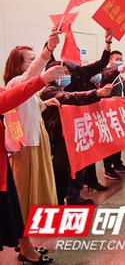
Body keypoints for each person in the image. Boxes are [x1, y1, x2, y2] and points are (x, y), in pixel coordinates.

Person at [0, 67, 65, 264]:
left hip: (25, 148)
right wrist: (44, 67)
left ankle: (25, 246)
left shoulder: (20, 87)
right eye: (30, 59)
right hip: (23, 148)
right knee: (21, 197)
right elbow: (9, 105)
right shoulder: (16, 83)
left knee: (16, 204)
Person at [3, 31, 62, 225]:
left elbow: (31, 109)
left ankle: (34, 225)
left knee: (38, 185)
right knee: (24, 188)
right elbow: (31, 76)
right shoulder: (16, 83)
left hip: (38, 138)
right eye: (31, 59)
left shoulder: (28, 86)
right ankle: (22, 230)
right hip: (25, 143)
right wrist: (48, 51)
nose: (35, 61)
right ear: (19, 65)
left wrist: (47, 103)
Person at [41, 62, 113, 205]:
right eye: (62, 73)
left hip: (71, 136)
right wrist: (97, 93)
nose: (66, 76)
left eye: (67, 73)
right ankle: (61, 201)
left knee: (77, 167)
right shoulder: (49, 91)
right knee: (61, 172)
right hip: (58, 139)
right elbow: (70, 97)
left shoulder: (64, 88)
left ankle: (74, 196)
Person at [63, 29, 113, 194]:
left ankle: (91, 180)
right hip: (67, 121)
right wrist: (50, 45)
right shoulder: (59, 72)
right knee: (72, 158)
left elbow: (101, 62)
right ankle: (72, 193)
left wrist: (107, 43)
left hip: (84, 118)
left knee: (88, 151)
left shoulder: (81, 71)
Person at [101, 51, 125, 180]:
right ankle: (108, 169)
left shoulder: (120, 76)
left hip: (118, 112)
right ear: (110, 59)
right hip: (108, 112)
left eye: (121, 59)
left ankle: (118, 163)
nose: (119, 61)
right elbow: (107, 81)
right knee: (109, 142)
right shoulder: (105, 73)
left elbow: (122, 90)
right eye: (117, 59)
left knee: (118, 140)